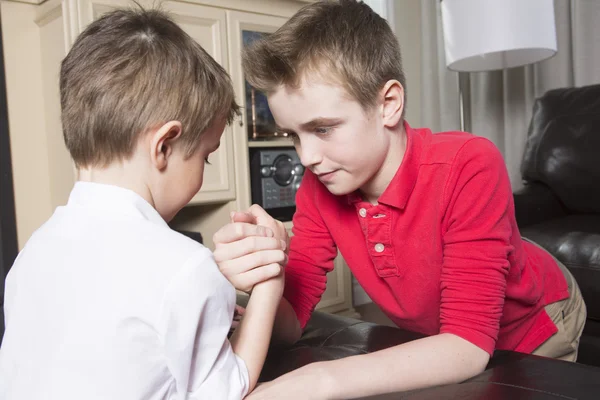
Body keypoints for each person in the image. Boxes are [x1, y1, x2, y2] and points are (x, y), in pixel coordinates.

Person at [212, 0, 587, 398]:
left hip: (538, 320)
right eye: (292, 135)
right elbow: (292, 325)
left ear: (388, 103)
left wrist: (321, 379)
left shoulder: (468, 163)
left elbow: (468, 345)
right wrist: (269, 274)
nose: (306, 157)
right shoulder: (317, 186)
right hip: (444, 332)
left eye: (322, 129)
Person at [0, 8, 286, 400]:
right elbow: (226, 388)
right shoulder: (187, 267)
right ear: (164, 146)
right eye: (205, 155)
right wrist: (271, 279)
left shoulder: (31, 254)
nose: (204, 168)